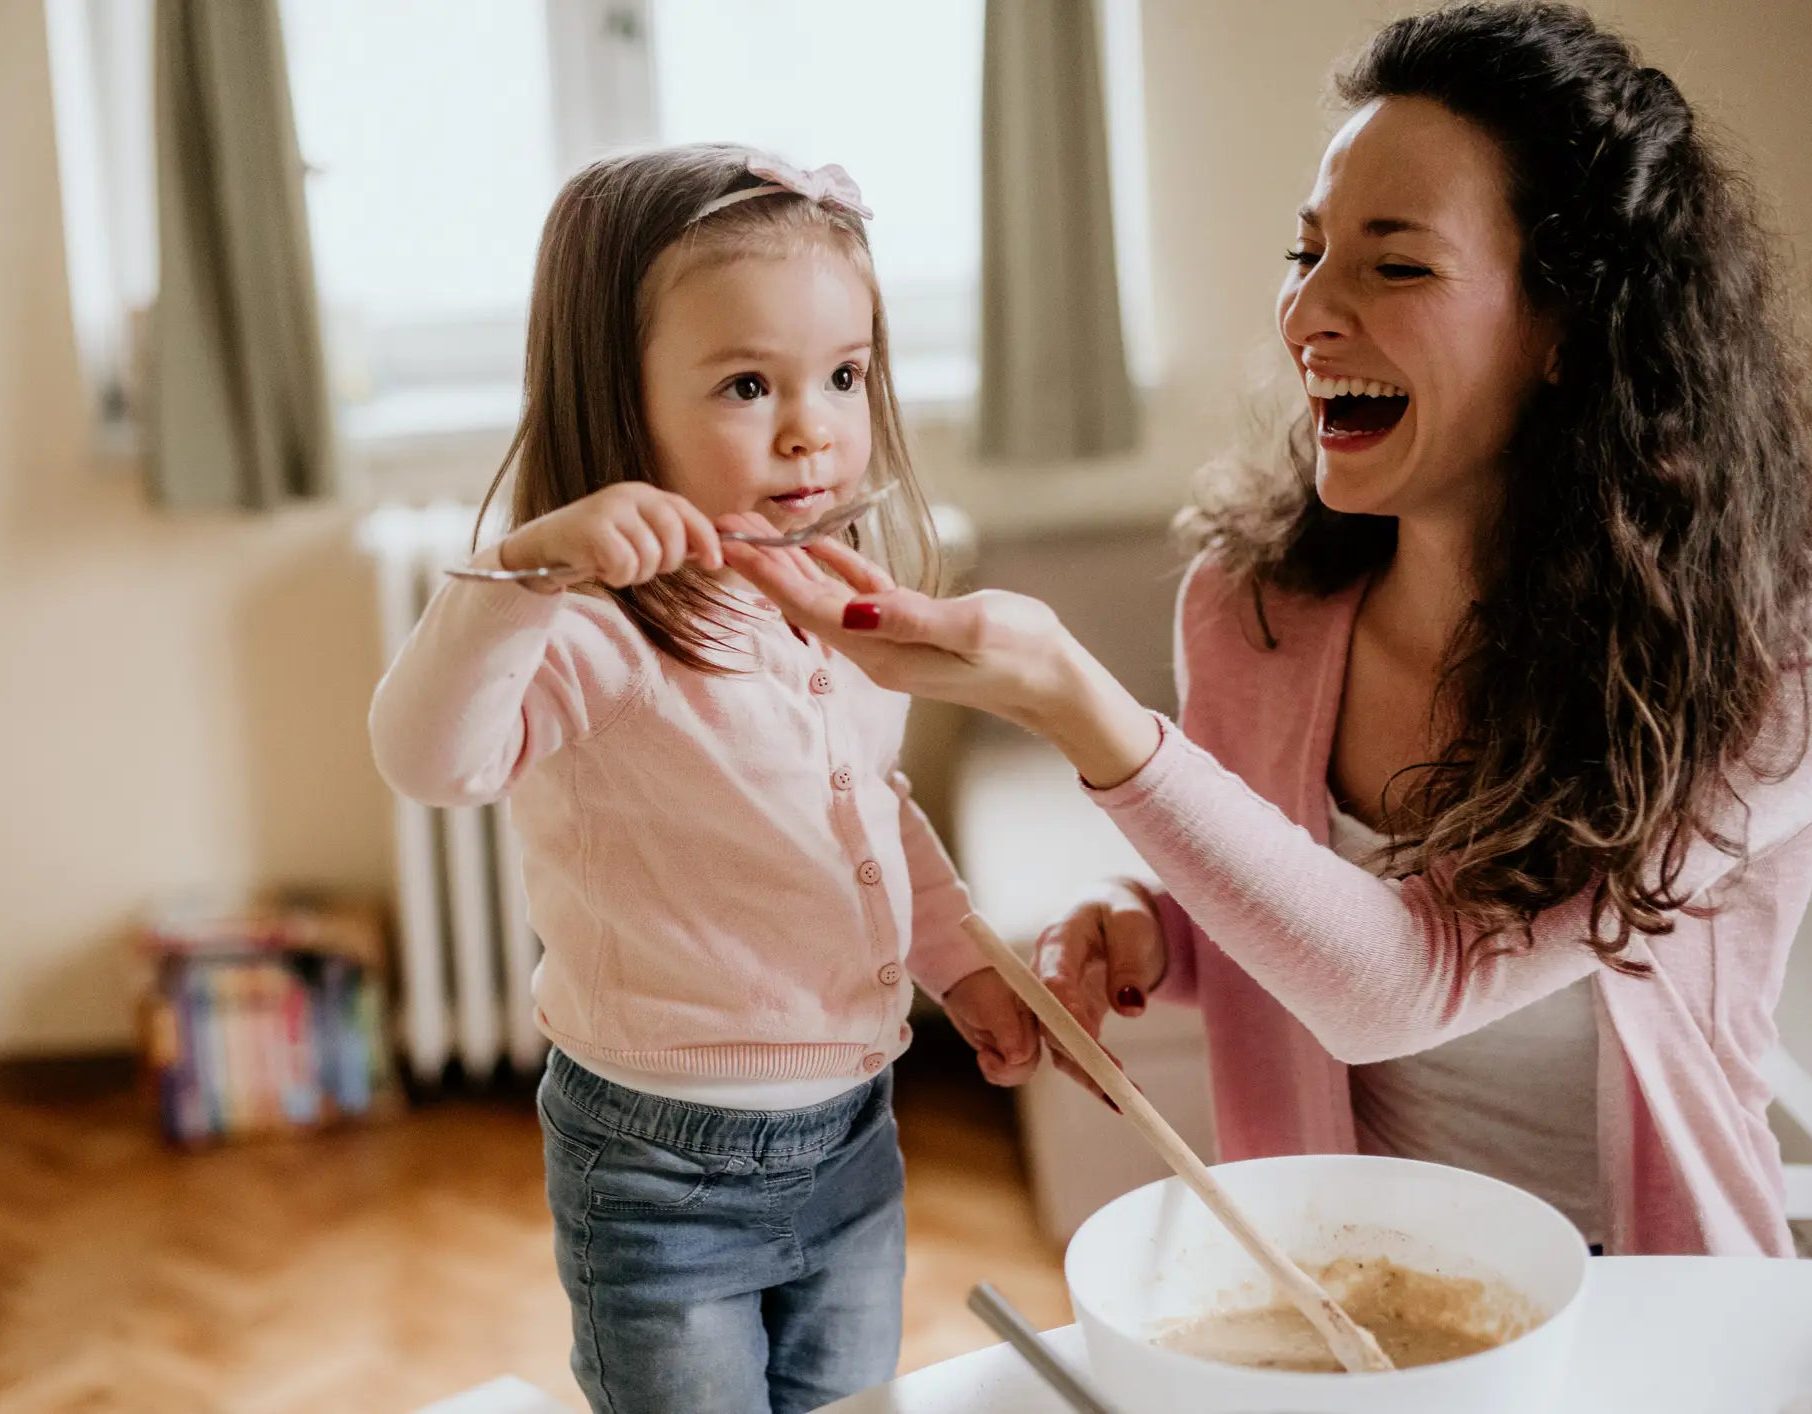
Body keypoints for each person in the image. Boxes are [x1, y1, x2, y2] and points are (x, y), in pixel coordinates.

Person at [723, 3, 1812, 1256]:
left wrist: (1077, 706)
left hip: (1658, 1309)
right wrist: (1152, 925)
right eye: (1307, 255)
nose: (1309, 314)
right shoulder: (1251, 615)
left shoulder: (1759, 662)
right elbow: (1282, 902)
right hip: (1350, 1289)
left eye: (1393, 264)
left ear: (1568, 326)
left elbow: (1400, 985)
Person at [368, 146, 1039, 1413]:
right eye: (746, 384)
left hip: (854, 1137)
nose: (813, 428)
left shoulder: (841, 600)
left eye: (844, 375)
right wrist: (524, 571)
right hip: (655, 1170)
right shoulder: (592, 631)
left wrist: (964, 960)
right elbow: (426, 759)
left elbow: (870, 809)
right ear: (620, 406)